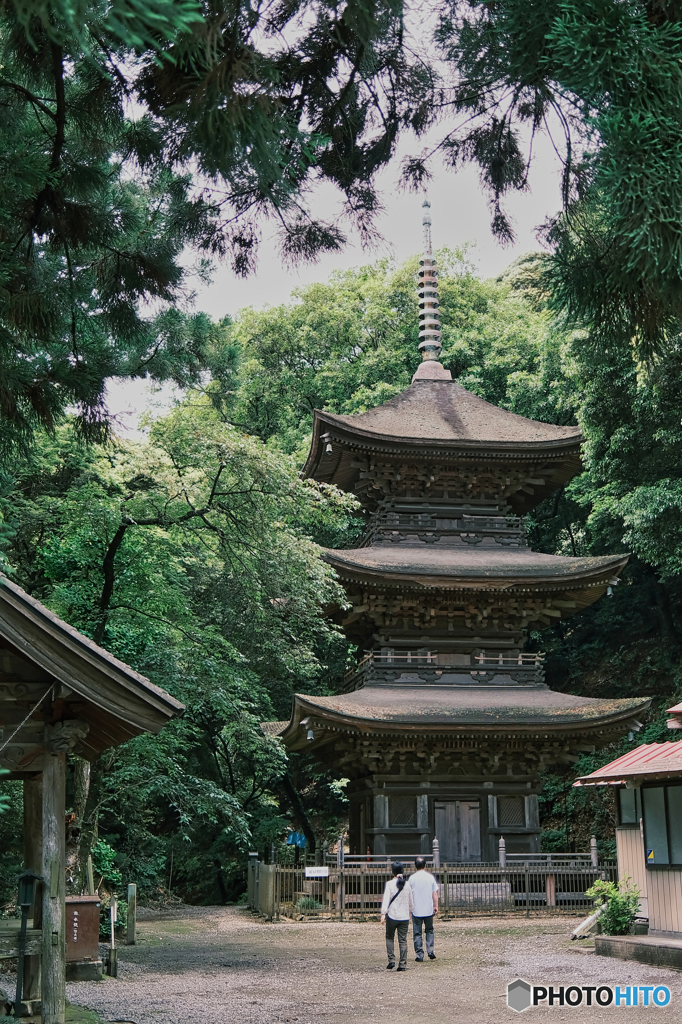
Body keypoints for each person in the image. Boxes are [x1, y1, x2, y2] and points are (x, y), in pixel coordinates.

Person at [380, 861, 413, 971]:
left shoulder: (389, 884)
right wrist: (410, 911)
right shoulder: (407, 885)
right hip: (404, 916)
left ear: (392, 871)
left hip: (392, 915)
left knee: (389, 937)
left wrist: (383, 913)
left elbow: (386, 900)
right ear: (402, 871)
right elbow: (411, 901)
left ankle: (391, 960)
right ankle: (402, 964)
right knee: (402, 940)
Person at [408, 855, 439, 961]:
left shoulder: (412, 878)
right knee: (429, 930)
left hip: (416, 909)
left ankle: (419, 954)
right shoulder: (430, 877)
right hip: (428, 908)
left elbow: (409, 895)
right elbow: (434, 893)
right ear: (425, 865)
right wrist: (436, 905)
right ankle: (430, 951)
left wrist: (409, 909)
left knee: (417, 932)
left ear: (415, 866)